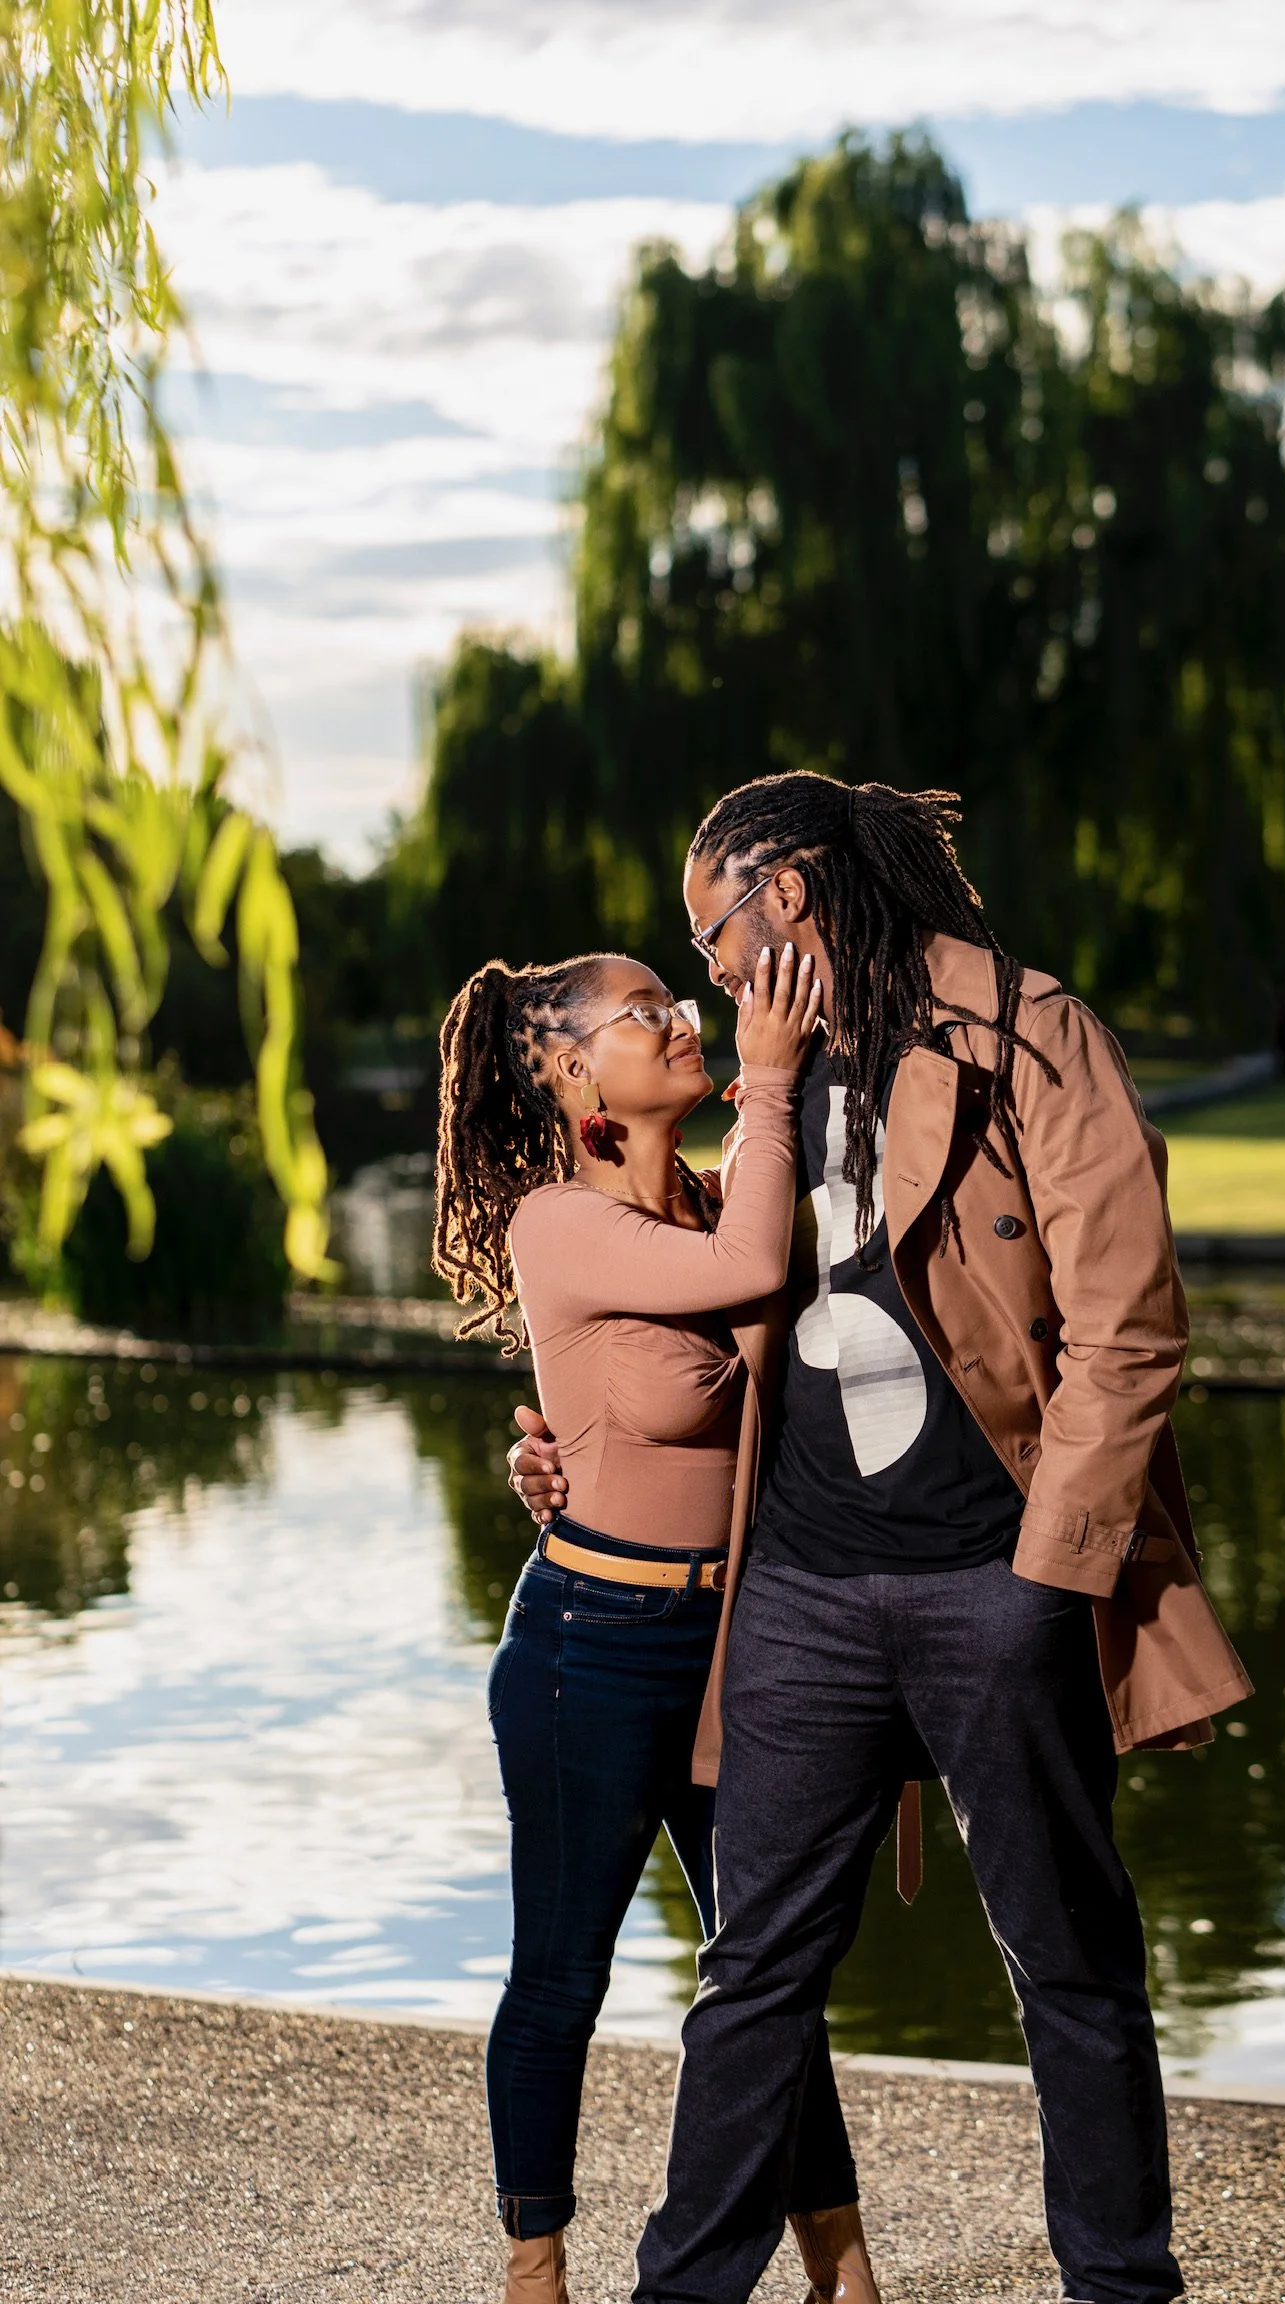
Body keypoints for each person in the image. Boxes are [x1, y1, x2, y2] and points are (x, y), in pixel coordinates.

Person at [511, 773, 1253, 2304]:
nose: (709, 974)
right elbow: (670, 1301)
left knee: (1070, 1967)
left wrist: (1054, 1573)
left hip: (999, 1578)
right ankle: (685, 2291)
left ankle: (1122, 2287)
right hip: (796, 1595)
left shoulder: (1026, 1032)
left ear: (787, 891)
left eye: (712, 931)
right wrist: (558, 1446)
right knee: (756, 1978)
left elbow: (1129, 1331)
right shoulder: (765, 1092)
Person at [433, 942, 879, 2304]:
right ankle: (535, 2272)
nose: (679, 1019)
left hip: (735, 1647)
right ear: (576, 1075)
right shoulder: (558, 1222)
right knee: (560, 1975)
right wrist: (770, 1076)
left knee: (764, 1975)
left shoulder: (700, 1196)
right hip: (591, 1652)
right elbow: (755, 1270)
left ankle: (844, 2278)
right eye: (646, 1014)